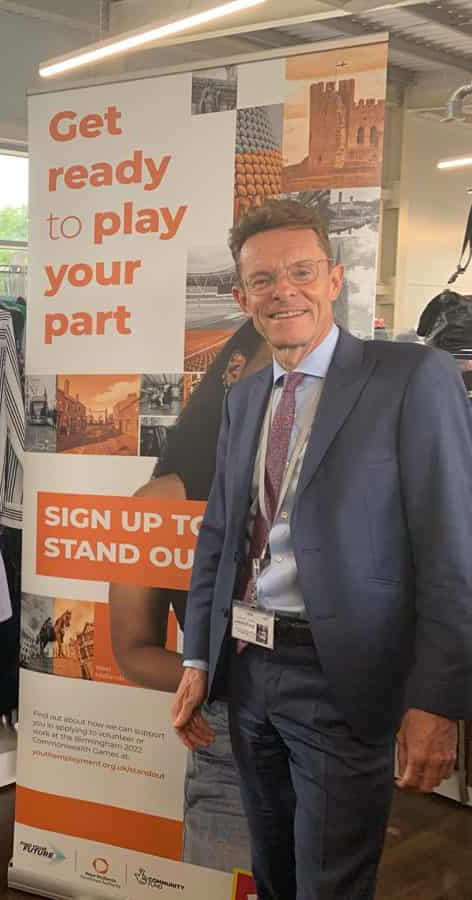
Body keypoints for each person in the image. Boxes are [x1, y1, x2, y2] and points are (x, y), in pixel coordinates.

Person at [172, 198, 472, 899]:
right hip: (246, 674)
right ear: (243, 296)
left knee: (331, 884)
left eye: (302, 271)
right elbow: (220, 536)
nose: (284, 292)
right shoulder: (245, 399)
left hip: (342, 680)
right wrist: (196, 657)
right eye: (264, 280)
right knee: (272, 871)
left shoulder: (410, 380)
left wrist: (437, 702)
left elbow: (451, 551)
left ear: (335, 279)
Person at [110, 320, 268, 873]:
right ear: (234, 368)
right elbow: (132, 649)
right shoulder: (159, 501)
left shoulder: (332, 483)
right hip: (229, 731)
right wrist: (212, 678)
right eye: (274, 365)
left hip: (330, 731)